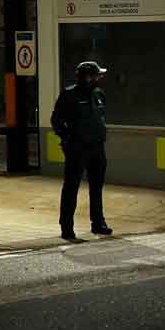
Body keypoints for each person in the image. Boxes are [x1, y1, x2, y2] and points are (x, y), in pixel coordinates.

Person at [51, 61, 113, 240]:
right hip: (77, 149)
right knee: (71, 187)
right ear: (87, 77)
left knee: (97, 187)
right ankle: (67, 227)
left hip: (97, 148)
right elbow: (56, 121)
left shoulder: (99, 94)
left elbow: (101, 117)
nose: (100, 77)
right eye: (97, 74)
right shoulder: (69, 95)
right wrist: (68, 140)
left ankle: (98, 223)